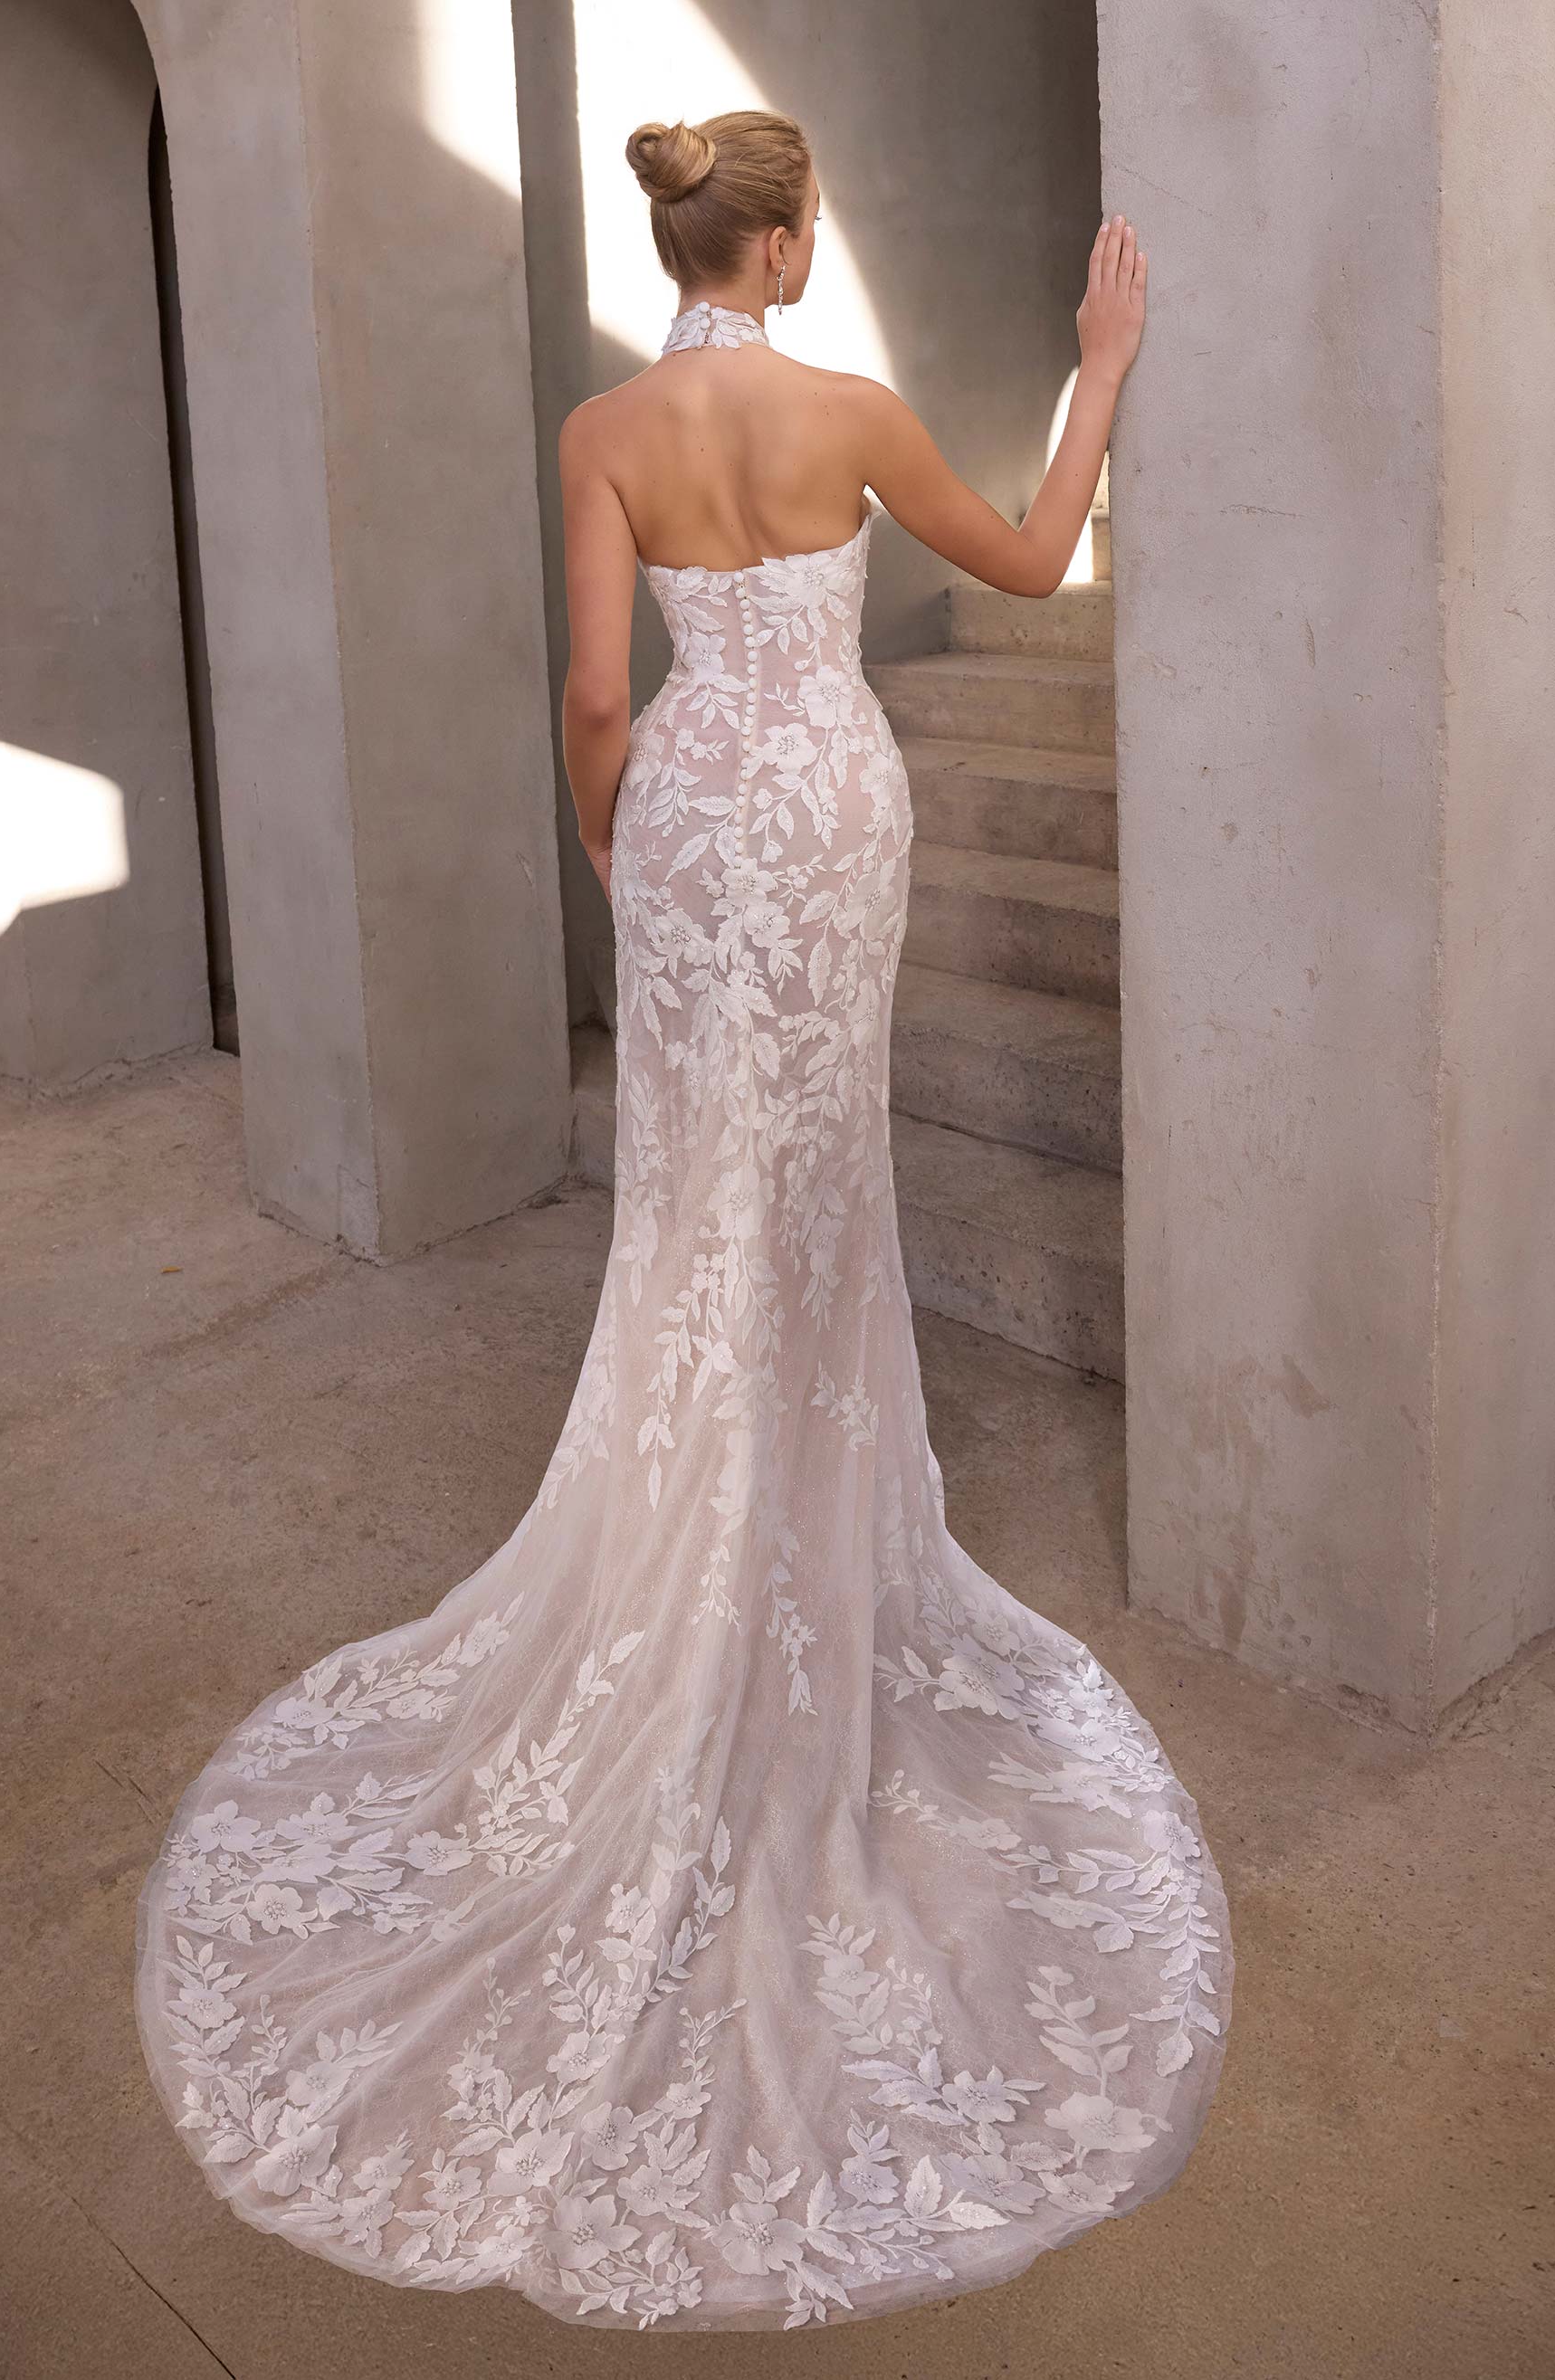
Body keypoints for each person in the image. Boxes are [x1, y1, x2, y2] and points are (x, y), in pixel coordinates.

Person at [136, 108, 1231, 2335]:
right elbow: (1030, 566)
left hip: (706, 827)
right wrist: (1097, 369)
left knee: (700, 1217)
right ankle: (799, 1549)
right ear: (793, 236)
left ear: (679, 236)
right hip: (830, 811)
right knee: (815, 1208)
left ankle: (709, 1540)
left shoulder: (605, 426)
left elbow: (591, 694)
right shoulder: (847, 412)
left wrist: (621, 853)